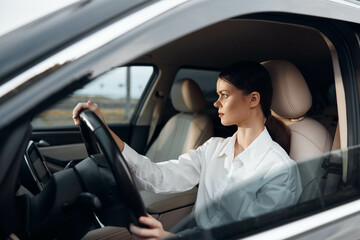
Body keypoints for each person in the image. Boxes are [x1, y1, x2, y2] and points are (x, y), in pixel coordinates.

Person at [73, 61, 302, 239]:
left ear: (253, 99)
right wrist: (104, 129)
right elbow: (157, 177)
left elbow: (253, 235)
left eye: (224, 95)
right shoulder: (213, 148)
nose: (216, 103)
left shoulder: (279, 169)